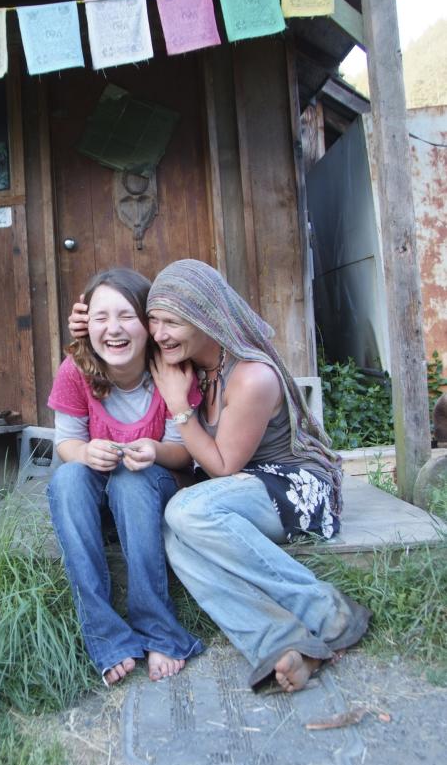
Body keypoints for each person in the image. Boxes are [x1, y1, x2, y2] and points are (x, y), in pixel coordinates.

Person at [70, 259, 370, 693]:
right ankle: (282, 642)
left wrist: (178, 405)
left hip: (296, 489)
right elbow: (113, 332)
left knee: (186, 509)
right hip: (241, 491)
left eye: (172, 322)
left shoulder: (251, 376)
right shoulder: (190, 360)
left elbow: (222, 466)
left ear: (206, 317)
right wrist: (83, 320)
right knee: (176, 537)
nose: (158, 334)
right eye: (154, 320)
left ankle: (326, 610)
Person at [47, 267, 204, 687]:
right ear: (86, 325)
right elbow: (65, 441)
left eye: (126, 316)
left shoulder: (169, 371)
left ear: (148, 324)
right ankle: (105, 636)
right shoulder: (74, 370)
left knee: (132, 481)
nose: (113, 330)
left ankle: (159, 629)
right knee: (66, 480)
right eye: (101, 318)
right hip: (100, 497)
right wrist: (84, 452)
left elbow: (184, 452)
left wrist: (155, 451)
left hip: (153, 490)